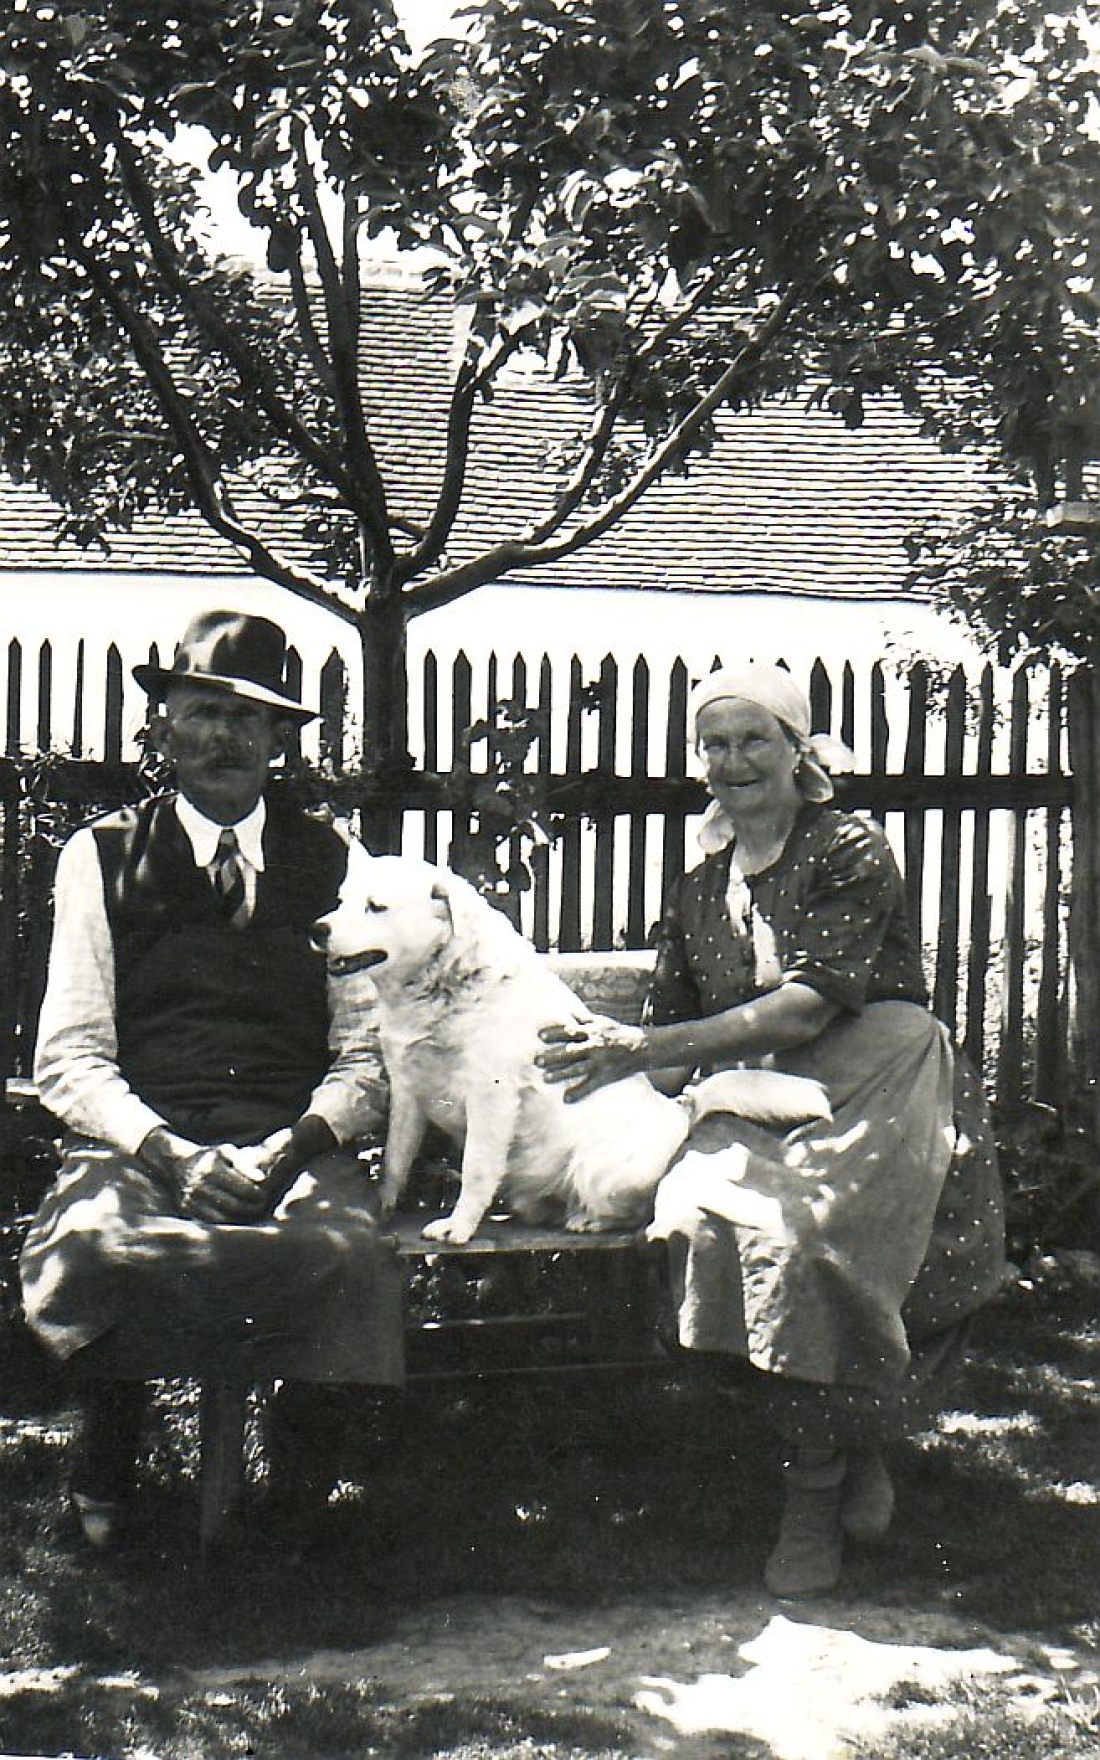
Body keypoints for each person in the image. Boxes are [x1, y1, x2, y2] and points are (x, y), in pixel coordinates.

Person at [538, 663, 1005, 1598]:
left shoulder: (849, 849)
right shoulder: (698, 886)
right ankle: (845, 1444)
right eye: (714, 744)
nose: (734, 761)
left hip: (877, 1078)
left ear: (798, 750)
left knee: (814, 1242)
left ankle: (813, 1491)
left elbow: (809, 1005)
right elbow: (670, 1035)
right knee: (700, 1225)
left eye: (755, 739)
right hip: (750, 1091)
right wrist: (576, 1076)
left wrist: (646, 1048)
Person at [19, 609, 402, 1549]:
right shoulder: (101, 856)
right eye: (202, 712)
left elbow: (365, 1054)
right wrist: (171, 1153)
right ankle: (108, 1459)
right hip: (142, 1140)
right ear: (163, 732)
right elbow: (70, 1054)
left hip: (289, 1140)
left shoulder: (335, 861)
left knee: (345, 1253)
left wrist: (292, 1148)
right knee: (100, 1248)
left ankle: (299, 1490)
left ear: (279, 741)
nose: (226, 737)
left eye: (249, 717)